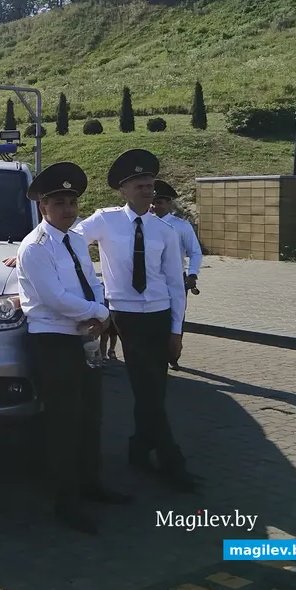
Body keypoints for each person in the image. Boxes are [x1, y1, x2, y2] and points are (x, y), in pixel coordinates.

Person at [16, 161, 133, 534]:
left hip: (84, 339)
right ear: (42, 207)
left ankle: (91, 485)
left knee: (91, 417)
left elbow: (92, 281)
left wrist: (102, 314)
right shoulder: (34, 247)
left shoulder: (76, 239)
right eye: (59, 202)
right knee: (65, 424)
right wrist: (100, 313)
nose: (68, 208)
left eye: (72, 201)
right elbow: (55, 298)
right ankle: (66, 502)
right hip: (53, 341)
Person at [73, 149, 197, 493]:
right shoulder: (106, 220)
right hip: (126, 317)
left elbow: (175, 284)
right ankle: (173, 462)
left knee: (153, 389)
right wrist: (24, 249)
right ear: (123, 190)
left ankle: (139, 449)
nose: (147, 189)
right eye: (139, 184)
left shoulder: (165, 231)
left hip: (159, 316)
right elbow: (67, 239)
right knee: (148, 390)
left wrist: (176, 330)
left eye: (150, 184)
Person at [151, 180, 203, 371]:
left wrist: (193, 274)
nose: (155, 206)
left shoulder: (181, 226)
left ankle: (173, 354)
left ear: (169, 203)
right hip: (152, 279)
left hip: (175, 278)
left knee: (176, 316)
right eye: (153, 202)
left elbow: (195, 252)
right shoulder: (145, 224)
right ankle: (156, 354)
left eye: (160, 202)